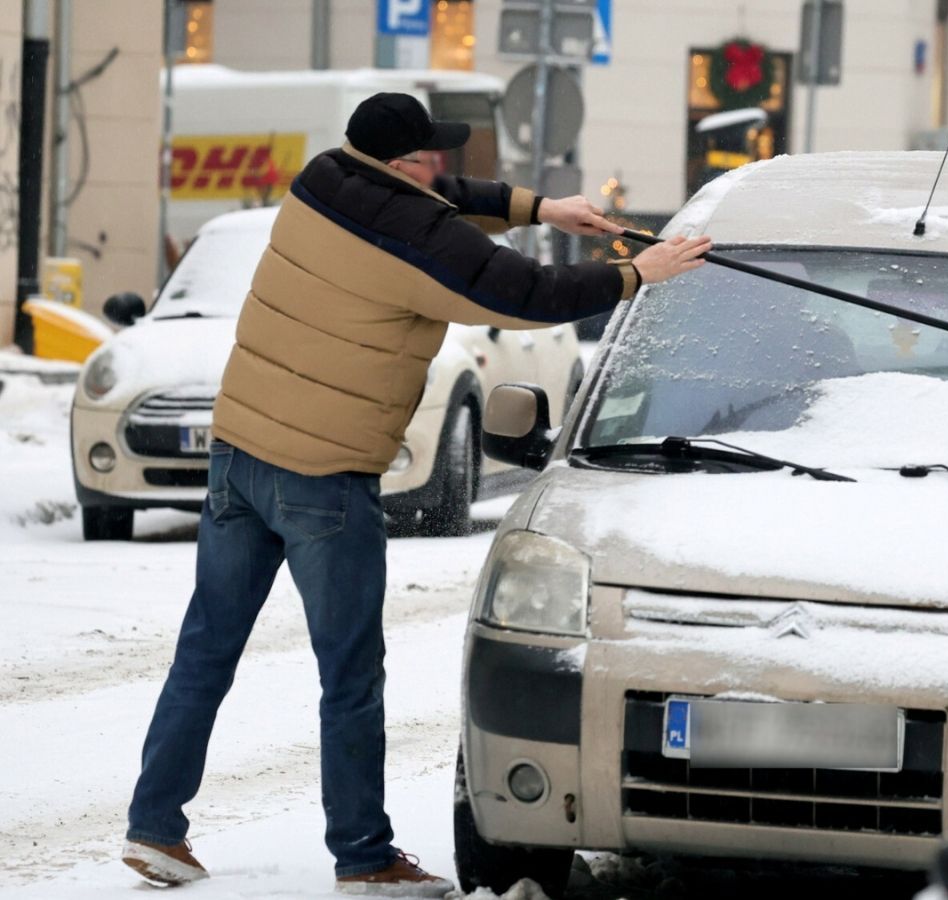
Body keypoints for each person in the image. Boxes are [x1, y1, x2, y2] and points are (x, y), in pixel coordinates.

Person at [120, 92, 711, 896]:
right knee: (350, 676)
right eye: (430, 153)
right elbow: (525, 293)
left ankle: (154, 827)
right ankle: (364, 857)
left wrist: (541, 207)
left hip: (240, 457)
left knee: (205, 652)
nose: (443, 164)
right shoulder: (416, 237)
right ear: (401, 163)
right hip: (324, 479)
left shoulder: (323, 178)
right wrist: (636, 272)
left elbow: (446, 200)